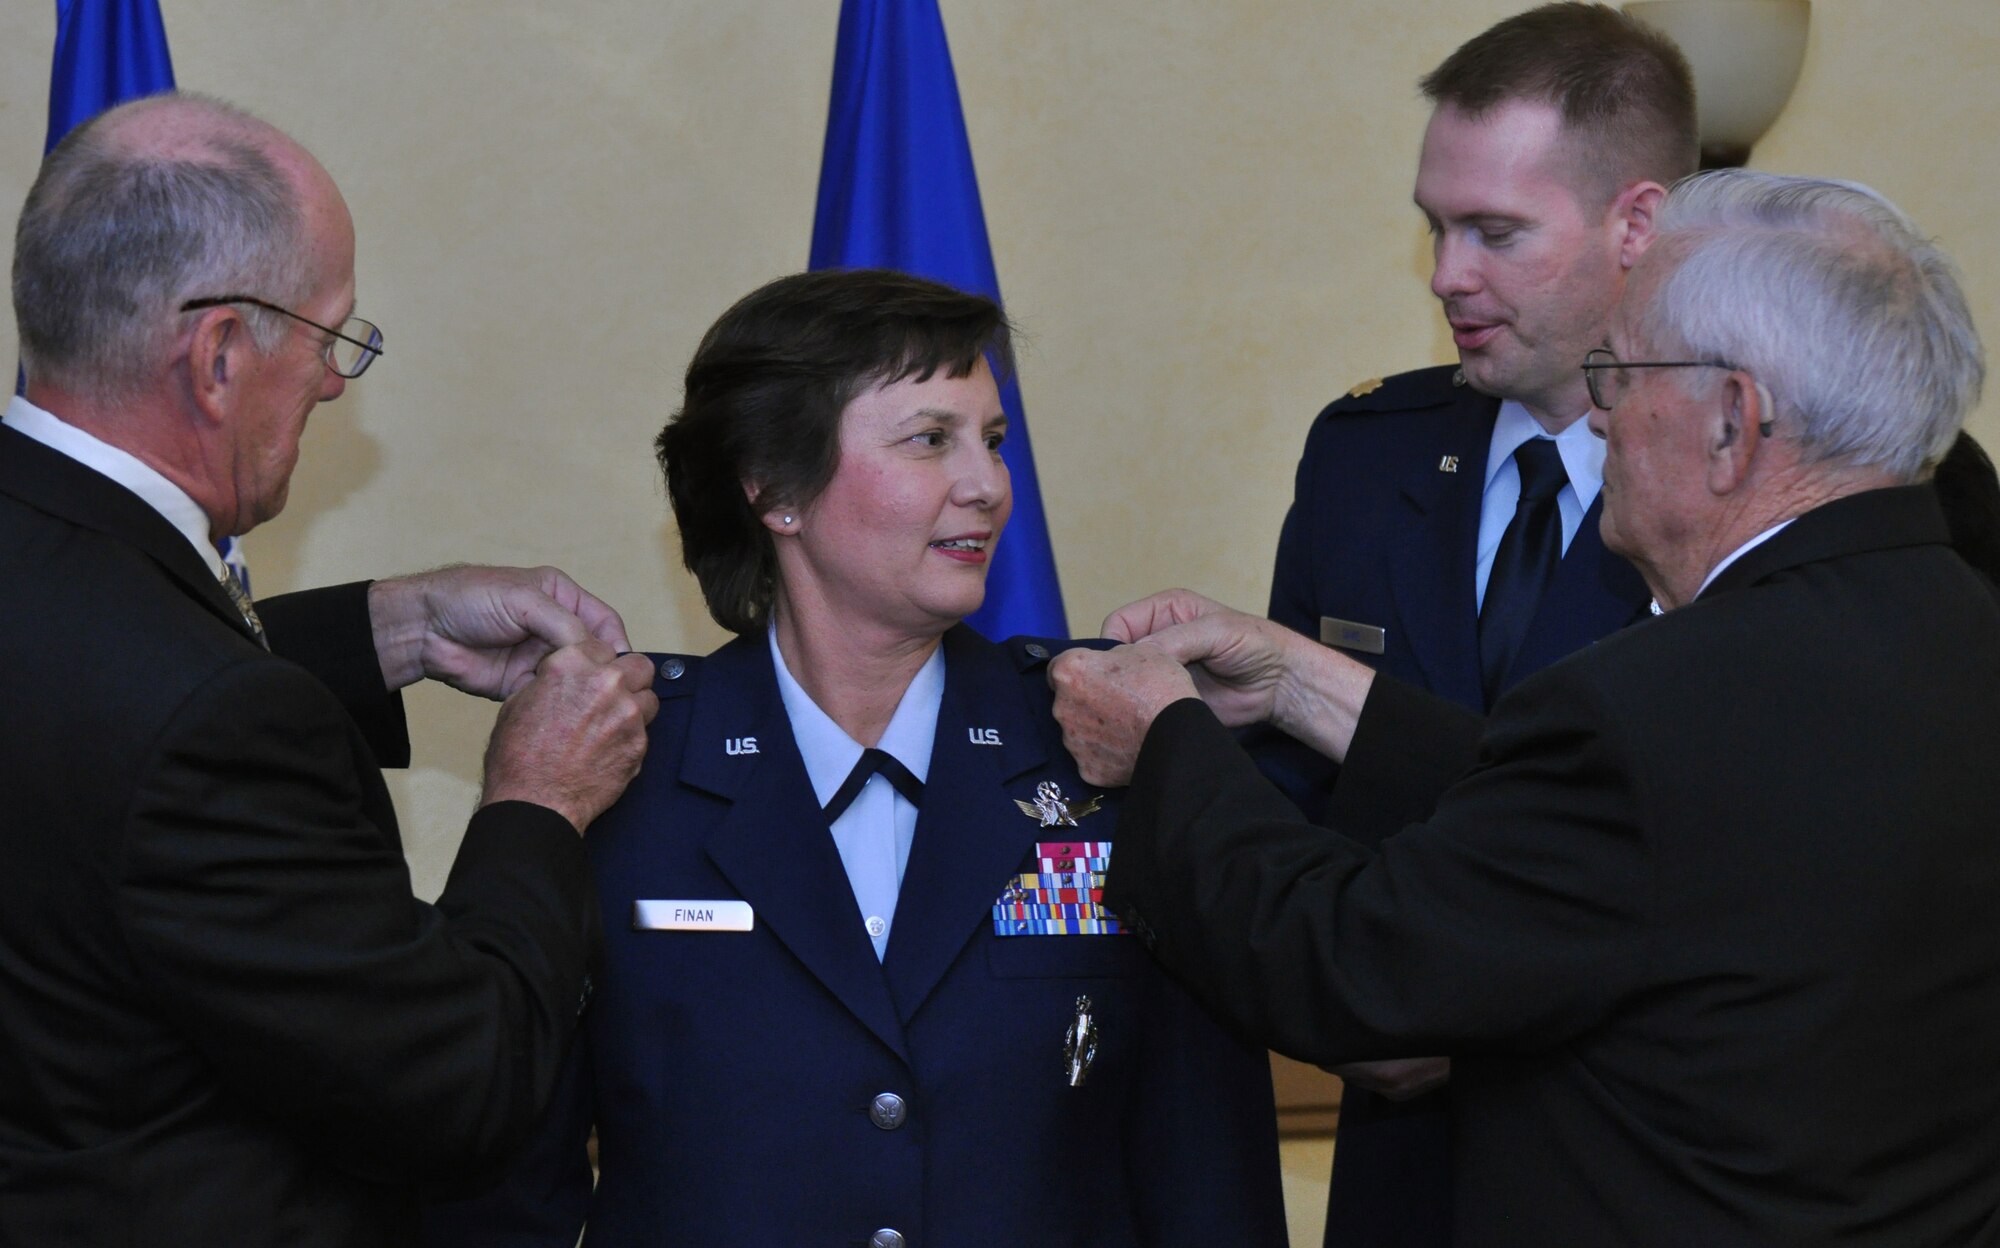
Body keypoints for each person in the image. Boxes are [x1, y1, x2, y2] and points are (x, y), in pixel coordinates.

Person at [1047, 170, 2000, 1245]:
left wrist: (1164, 741)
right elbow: (1626, 849)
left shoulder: (1648, 706)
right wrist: (1297, 679)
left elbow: (1349, 965)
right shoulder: (1955, 637)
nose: (1597, 415)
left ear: (1732, 421)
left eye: (1619, 372)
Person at [422, 269, 1286, 1248]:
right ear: (775, 489)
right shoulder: (621, 767)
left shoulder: (1099, 747)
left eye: (992, 443)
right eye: (930, 440)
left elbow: (1207, 1172)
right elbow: (500, 1181)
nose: (989, 487)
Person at [0, 93, 659, 1246]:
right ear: (216, 356)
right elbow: (461, 1084)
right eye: (331, 337)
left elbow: (82, 718)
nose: (336, 383)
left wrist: (387, 630)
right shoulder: (209, 724)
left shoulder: (53, 567)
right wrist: (538, 797)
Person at [1260, 6, 1693, 1240]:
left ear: (1636, 225)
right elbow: (1300, 802)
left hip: (1637, 1167)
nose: (1446, 274)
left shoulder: (1742, 479)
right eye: (1434, 227)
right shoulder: (1363, 458)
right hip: (1405, 1172)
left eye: (1494, 232)